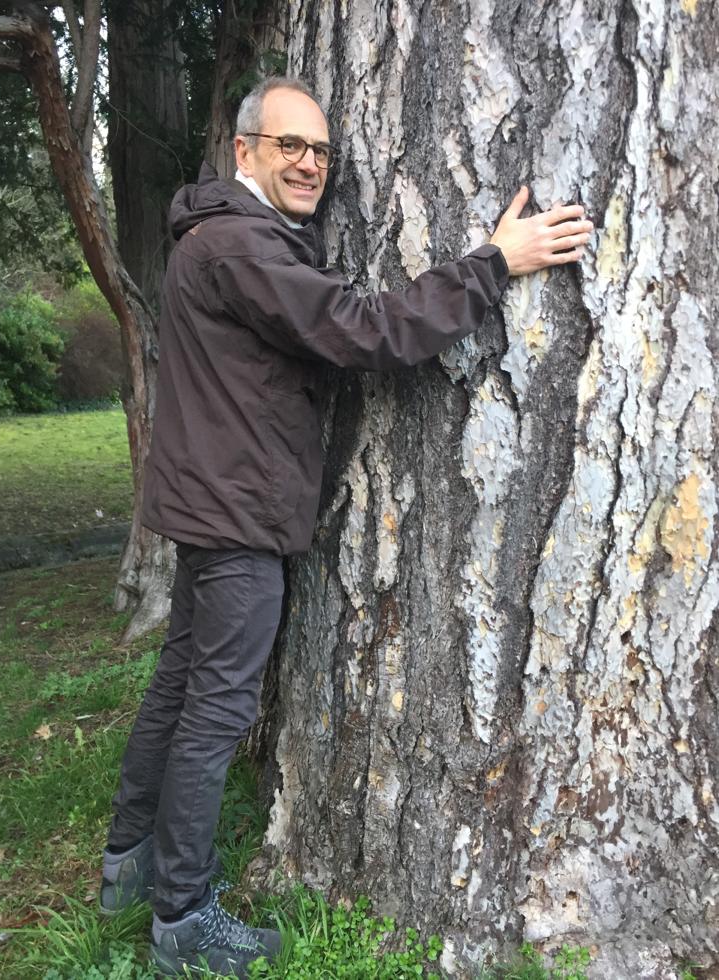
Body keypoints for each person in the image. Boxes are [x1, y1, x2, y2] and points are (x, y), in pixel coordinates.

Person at [99, 76, 593, 978]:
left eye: (321, 150)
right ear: (242, 150)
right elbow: (363, 330)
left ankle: (127, 868)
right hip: (238, 514)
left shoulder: (220, 237)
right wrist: (492, 262)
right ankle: (181, 917)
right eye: (289, 145)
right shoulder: (243, 247)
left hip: (211, 504)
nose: (309, 164)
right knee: (213, 709)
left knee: (178, 688)